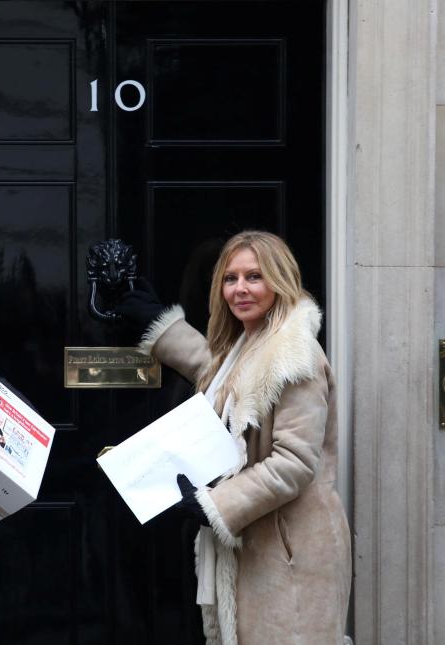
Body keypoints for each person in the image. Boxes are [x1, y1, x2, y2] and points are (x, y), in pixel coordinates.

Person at [118, 231, 351, 645]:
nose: (240, 289)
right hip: (259, 552)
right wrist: (156, 323)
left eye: (254, 277)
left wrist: (215, 504)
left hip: (289, 554)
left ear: (280, 282)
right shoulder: (248, 347)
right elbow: (216, 370)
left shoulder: (296, 357)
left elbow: (294, 464)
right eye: (230, 278)